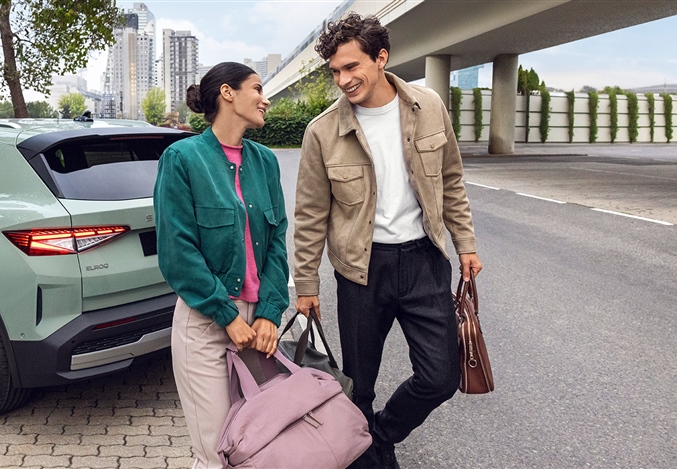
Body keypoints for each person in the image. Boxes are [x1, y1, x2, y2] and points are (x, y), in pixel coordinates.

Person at [293, 13, 483, 469]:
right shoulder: (322, 131)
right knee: (358, 385)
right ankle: (368, 460)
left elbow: (451, 181)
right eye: (335, 71)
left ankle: (379, 437)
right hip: (361, 271)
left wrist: (466, 243)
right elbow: (310, 215)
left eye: (351, 67)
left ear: (381, 58)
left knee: (440, 377)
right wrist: (306, 284)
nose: (343, 80)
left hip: (424, 262)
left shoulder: (428, 106)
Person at [154, 62, 290, 469]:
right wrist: (227, 315)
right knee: (217, 453)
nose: (265, 100)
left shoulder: (265, 162)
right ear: (227, 93)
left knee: (260, 445)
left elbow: (277, 241)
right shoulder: (182, 158)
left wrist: (269, 313)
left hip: (259, 327)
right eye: (257, 88)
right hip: (206, 323)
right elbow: (177, 252)